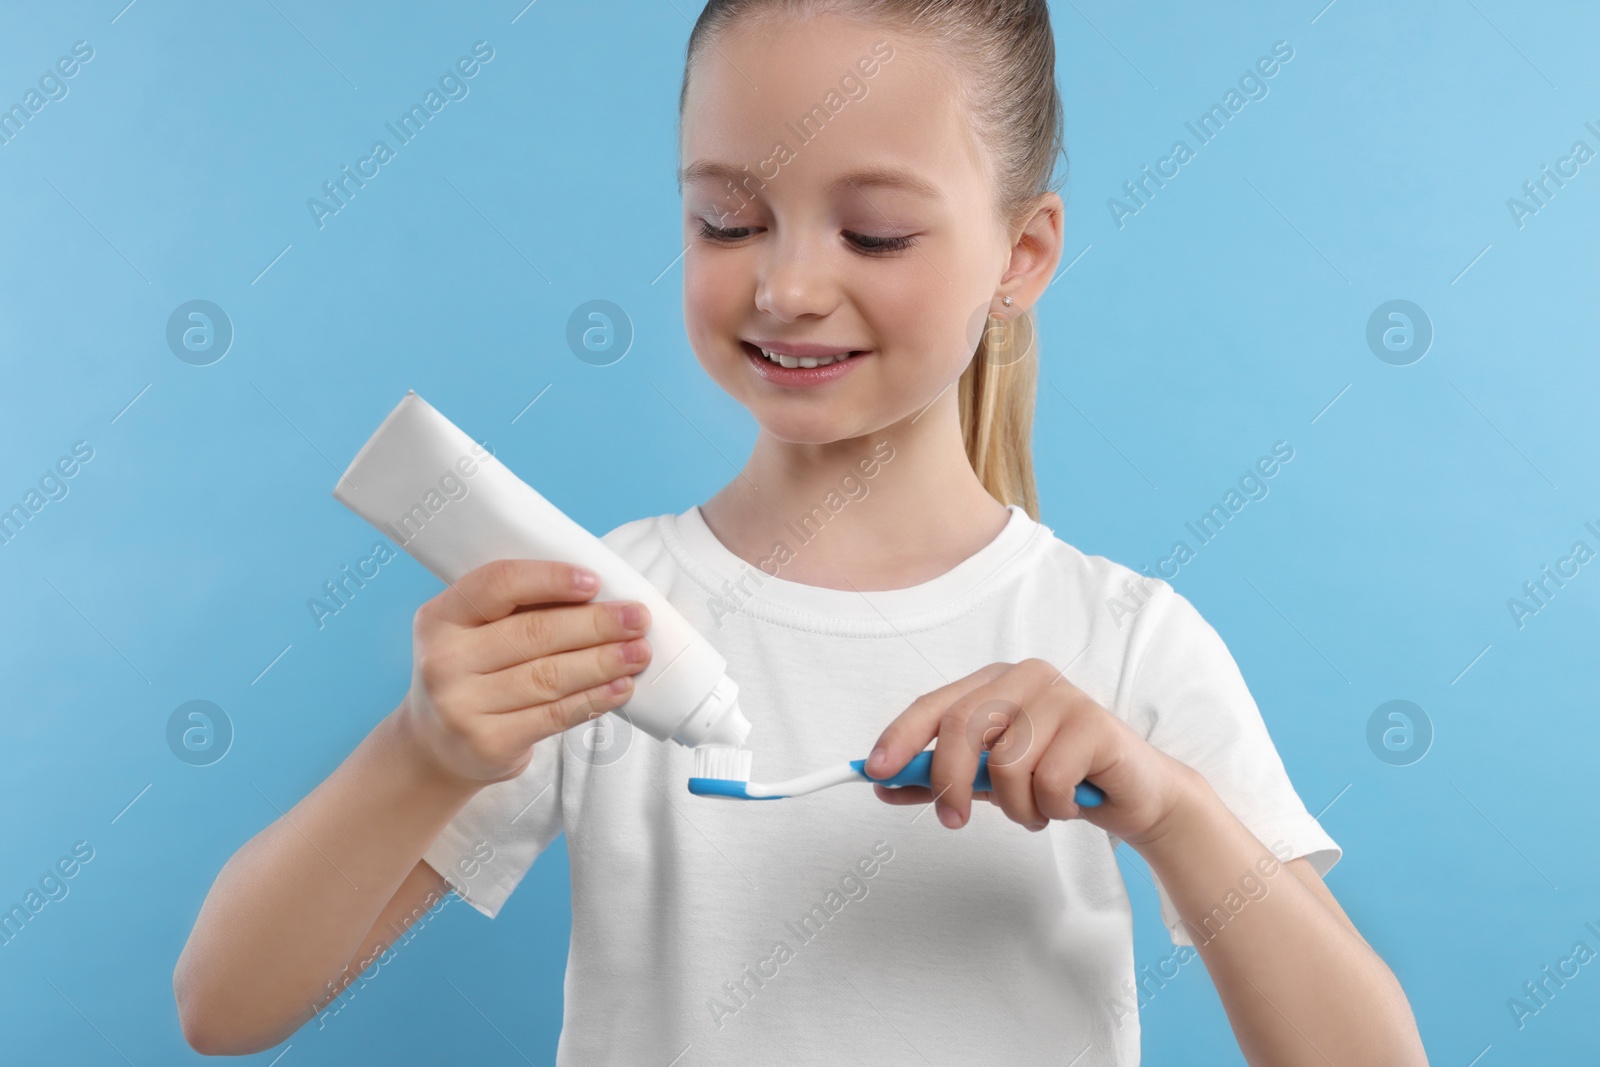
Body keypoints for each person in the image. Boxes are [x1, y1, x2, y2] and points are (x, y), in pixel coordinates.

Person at [175, 1, 1429, 1063]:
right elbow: (222, 1007)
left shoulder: (1122, 644)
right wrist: (425, 750)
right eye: (726, 219)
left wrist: (1172, 813)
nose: (784, 285)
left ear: (1023, 253)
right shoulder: (606, 616)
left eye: (873, 232)